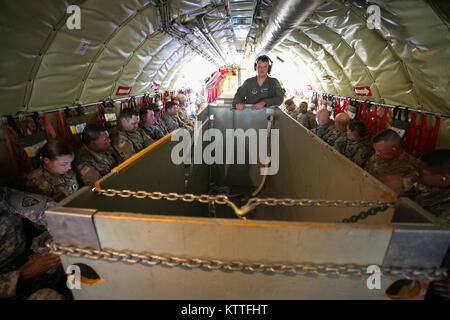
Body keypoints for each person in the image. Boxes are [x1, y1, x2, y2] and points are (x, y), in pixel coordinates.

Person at [0, 186, 68, 299]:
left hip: (23, 259)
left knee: (65, 249)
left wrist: (65, 220)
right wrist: (27, 273)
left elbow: (40, 207)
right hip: (9, 284)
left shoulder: (3, 196)